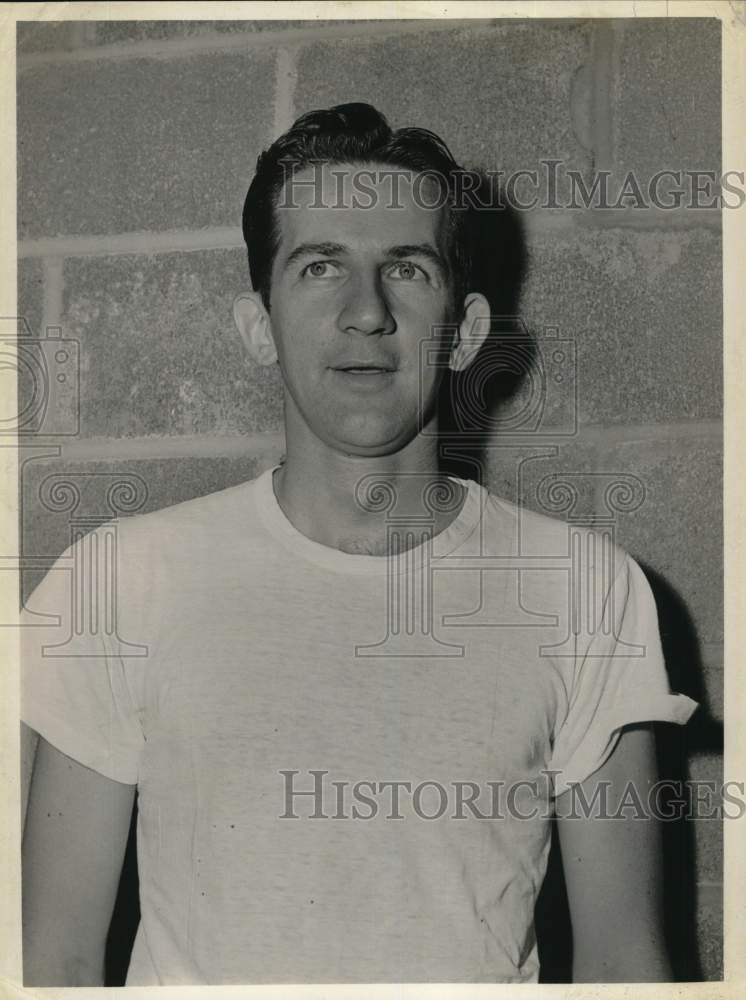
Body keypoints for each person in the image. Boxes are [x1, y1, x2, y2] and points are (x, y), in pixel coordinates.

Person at [20, 102, 698, 986]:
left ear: (467, 330)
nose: (365, 312)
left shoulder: (585, 590)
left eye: (406, 269)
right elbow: (52, 961)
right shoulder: (116, 582)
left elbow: (625, 964)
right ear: (258, 325)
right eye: (319, 267)